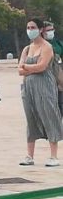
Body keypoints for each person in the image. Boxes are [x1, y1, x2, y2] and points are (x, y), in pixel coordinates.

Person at [18, 18, 63, 167]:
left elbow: (42, 66)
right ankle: (29, 155)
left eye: (33, 27)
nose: (30, 30)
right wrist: (28, 68)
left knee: (49, 115)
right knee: (31, 118)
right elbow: (19, 70)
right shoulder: (27, 49)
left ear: (41, 29)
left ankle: (53, 155)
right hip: (28, 87)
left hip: (45, 86)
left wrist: (27, 67)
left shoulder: (47, 47)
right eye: (28, 27)